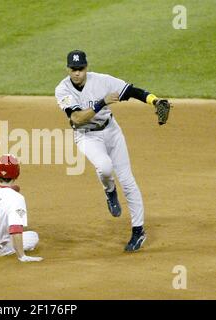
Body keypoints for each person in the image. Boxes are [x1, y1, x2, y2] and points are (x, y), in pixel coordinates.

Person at [55, 50, 171, 252]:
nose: (77, 73)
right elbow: (77, 119)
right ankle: (109, 191)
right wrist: (102, 102)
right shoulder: (62, 89)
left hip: (112, 132)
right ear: (67, 69)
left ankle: (138, 231)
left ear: (86, 67)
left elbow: (132, 91)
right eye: (73, 69)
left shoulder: (102, 81)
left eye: (80, 69)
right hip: (86, 136)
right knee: (105, 167)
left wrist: (154, 100)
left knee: (127, 181)